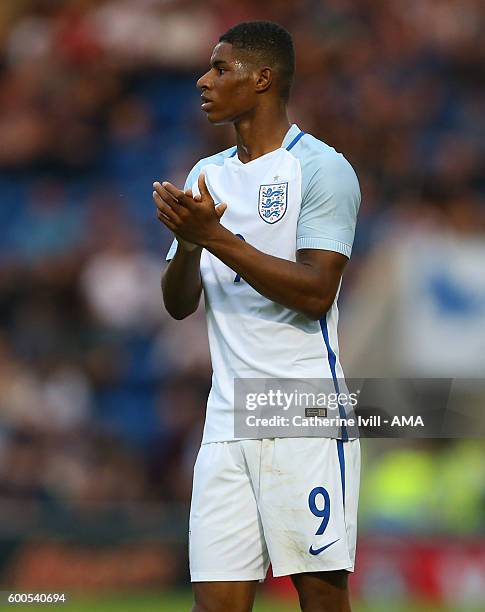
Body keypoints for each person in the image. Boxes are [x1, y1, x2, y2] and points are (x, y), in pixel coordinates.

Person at [153, 21, 361, 612]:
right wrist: (189, 243)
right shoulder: (206, 175)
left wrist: (212, 235)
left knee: (321, 597)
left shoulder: (322, 169)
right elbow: (177, 304)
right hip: (226, 416)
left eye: (221, 69)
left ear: (262, 78)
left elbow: (318, 290)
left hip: (304, 408)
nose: (204, 80)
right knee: (215, 604)